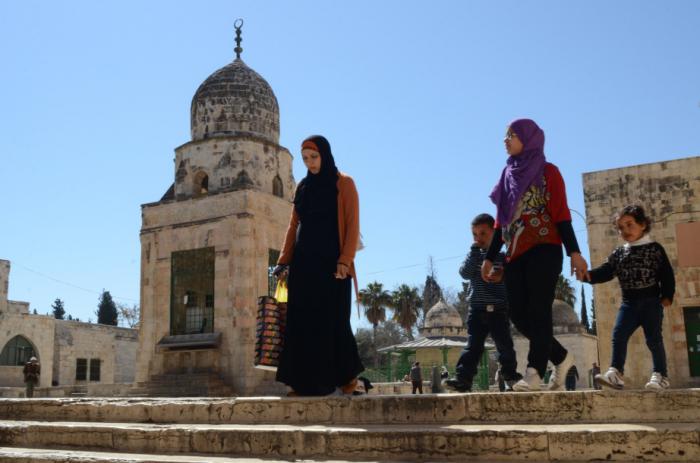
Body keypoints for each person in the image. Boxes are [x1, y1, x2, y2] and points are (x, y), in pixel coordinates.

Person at [483, 118, 588, 392]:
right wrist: (489, 257)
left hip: (546, 248)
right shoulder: (507, 175)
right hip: (515, 253)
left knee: (539, 311)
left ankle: (534, 372)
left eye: (512, 135)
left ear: (528, 139)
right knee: (518, 314)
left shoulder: (547, 172)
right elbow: (500, 222)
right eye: (505, 135)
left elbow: (562, 215)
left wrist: (574, 253)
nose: (505, 140)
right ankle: (562, 357)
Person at [273, 135, 364, 396]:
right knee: (302, 322)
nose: (310, 163)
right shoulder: (303, 187)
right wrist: (283, 261)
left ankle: (347, 379)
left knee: (334, 320)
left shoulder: (343, 184)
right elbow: (293, 226)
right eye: (305, 159)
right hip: (303, 266)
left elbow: (352, 224)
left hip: (333, 266)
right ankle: (303, 383)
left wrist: (345, 260)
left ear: (324, 155)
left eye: (314, 157)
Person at [584, 205, 675, 391]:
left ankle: (661, 375)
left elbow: (667, 273)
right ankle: (615, 373)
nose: (625, 230)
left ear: (642, 224)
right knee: (619, 335)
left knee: (654, 339)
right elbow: (606, 272)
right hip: (629, 304)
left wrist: (667, 295)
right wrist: (587, 276)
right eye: (620, 227)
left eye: (629, 224)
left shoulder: (655, 249)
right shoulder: (619, 253)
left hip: (651, 302)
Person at [445, 213, 520, 393]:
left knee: (505, 346)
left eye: (483, 234)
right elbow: (464, 273)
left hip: (499, 310)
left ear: (494, 235)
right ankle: (463, 379)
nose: (479, 238)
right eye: (475, 235)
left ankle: (511, 377)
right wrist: (473, 252)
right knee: (473, 346)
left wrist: (502, 274)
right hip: (477, 310)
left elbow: (513, 276)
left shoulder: (502, 257)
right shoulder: (474, 257)